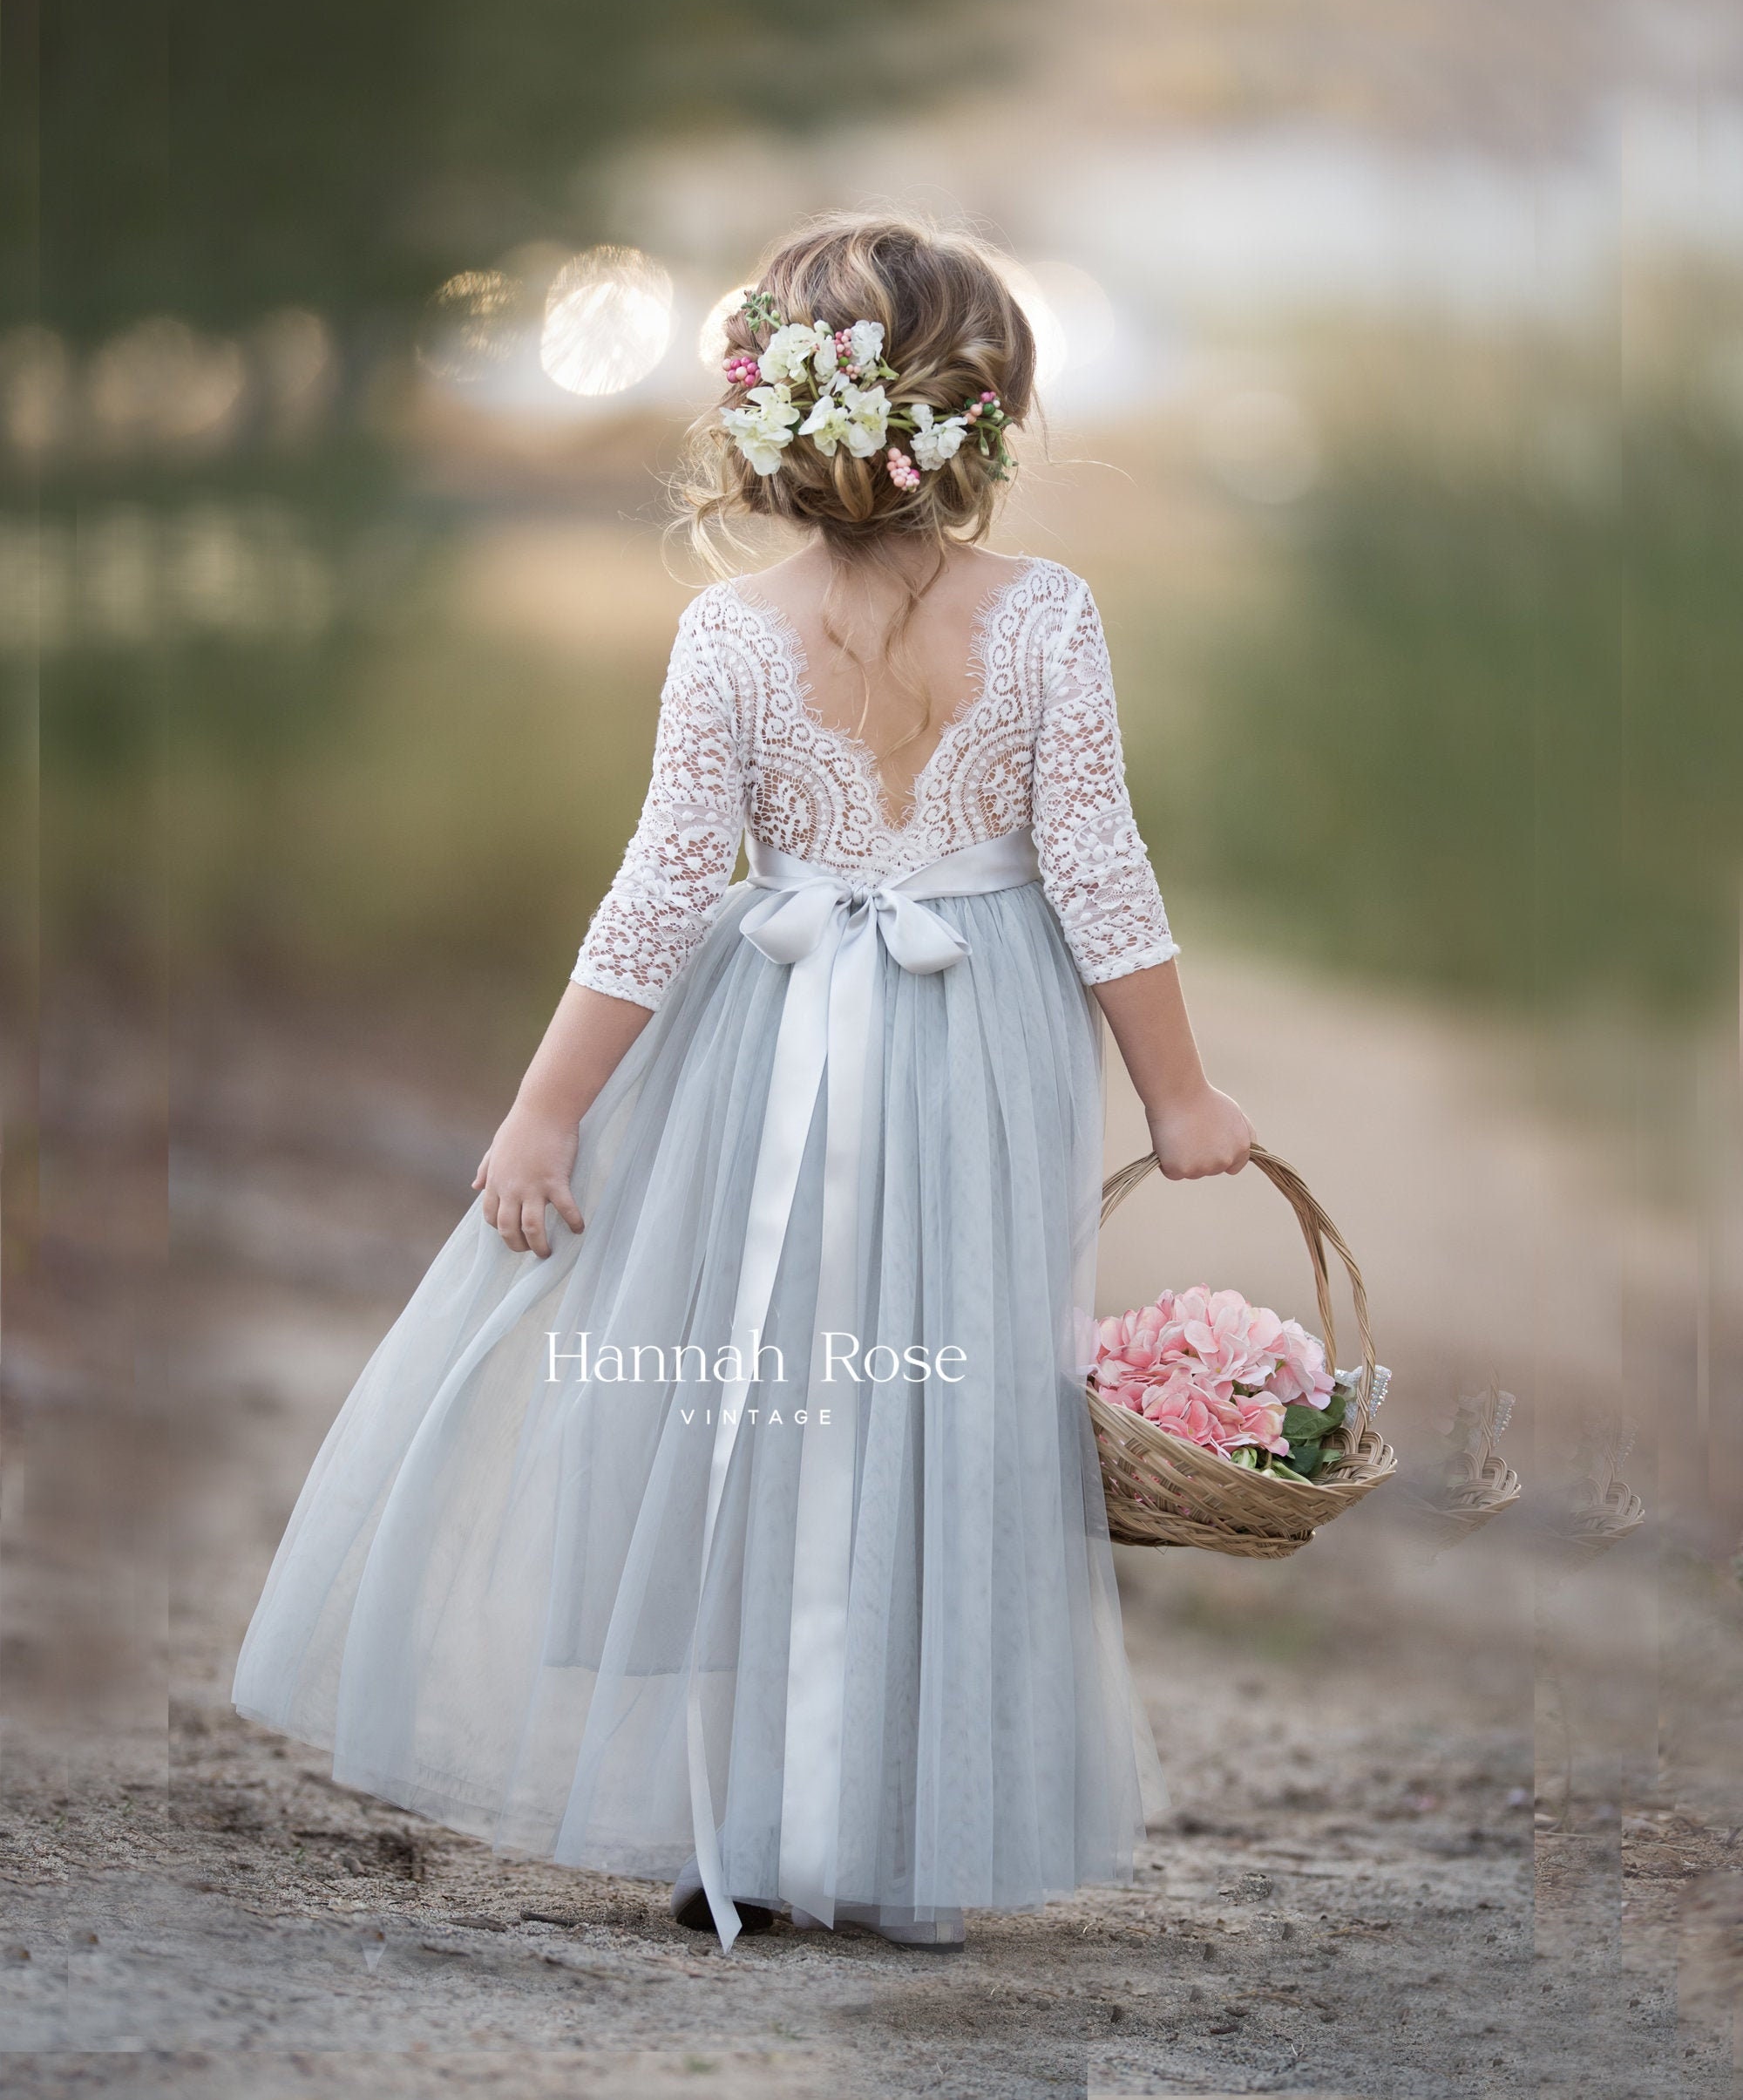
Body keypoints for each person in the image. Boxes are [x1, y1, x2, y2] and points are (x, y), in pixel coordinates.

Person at [233, 213, 1251, 1954]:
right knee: (941, 1409)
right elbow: (1097, 873)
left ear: (766, 419)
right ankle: (860, 1819)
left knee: (772, 1406)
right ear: (984, 415)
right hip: (979, 1039)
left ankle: (763, 1821)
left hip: (770, 1030)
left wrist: (547, 1106)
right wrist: (1179, 1096)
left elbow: (662, 890)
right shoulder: (1045, 618)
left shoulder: (730, 632)